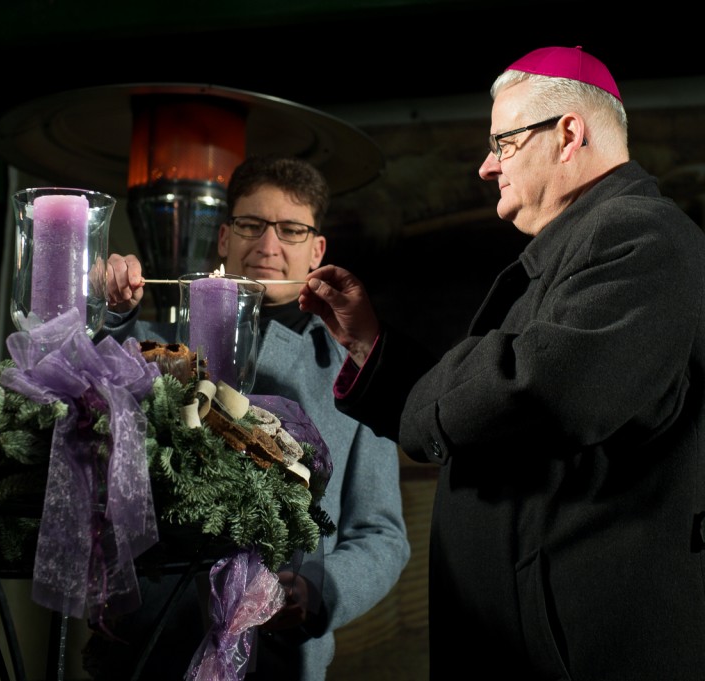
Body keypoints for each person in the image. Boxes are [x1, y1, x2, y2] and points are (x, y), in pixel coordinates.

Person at [299, 45, 705, 680]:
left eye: (504, 142)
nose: (487, 166)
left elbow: (542, 392)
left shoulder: (643, 237)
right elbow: (496, 401)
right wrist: (369, 345)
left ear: (568, 134)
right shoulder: (587, 244)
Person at [87, 154, 411, 680]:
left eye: (291, 229)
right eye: (251, 225)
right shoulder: (155, 347)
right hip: (151, 638)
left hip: (279, 650)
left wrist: (319, 591)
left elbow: (381, 533)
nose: (267, 245)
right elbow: (86, 397)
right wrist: (116, 315)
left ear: (317, 250)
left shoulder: (354, 375)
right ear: (223, 237)